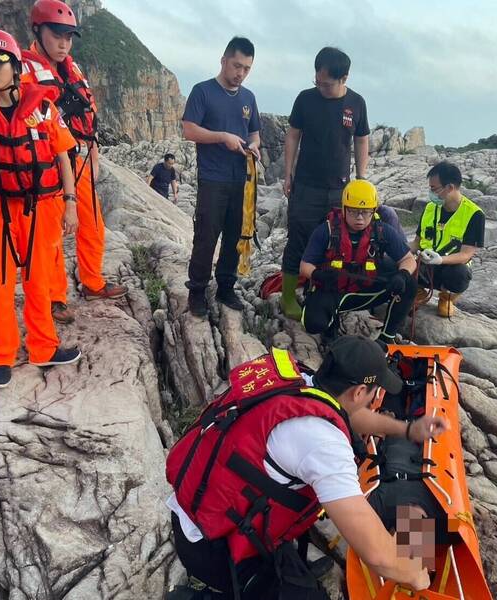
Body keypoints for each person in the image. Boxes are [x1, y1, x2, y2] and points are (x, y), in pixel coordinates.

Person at [166, 335, 446, 599]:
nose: (374, 400)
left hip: (199, 513)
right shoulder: (323, 444)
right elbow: (377, 553)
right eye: (375, 392)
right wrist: (415, 575)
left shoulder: (303, 381)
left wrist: (407, 430)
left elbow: (349, 415)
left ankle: (290, 572)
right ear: (360, 391)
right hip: (215, 550)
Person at [0, 28, 81, 388]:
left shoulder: (42, 107)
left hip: (40, 206)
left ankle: (43, 347)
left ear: (14, 66)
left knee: (40, 280)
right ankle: (1, 356)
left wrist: (70, 205)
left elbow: (62, 156)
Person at [22, 0, 128, 326]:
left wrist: (93, 156)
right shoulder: (25, 71)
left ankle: (92, 282)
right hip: (49, 164)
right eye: (57, 35)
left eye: (68, 36)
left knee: (92, 223)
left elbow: (89, 113)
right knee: (51, 235)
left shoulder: (72, 68)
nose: (64, 43)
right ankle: (54, 297)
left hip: (79, 158)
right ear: (39, 32)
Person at [280, 47, 370, 321]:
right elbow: (293, 135)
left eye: (327, 84)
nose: (321, 87)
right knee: (298, 239)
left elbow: (361, 139)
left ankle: (322, 292)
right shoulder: (306, 99)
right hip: (306, 185)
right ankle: (287, 297)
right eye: (317, 81)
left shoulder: (356, 103)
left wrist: (362, 178)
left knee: (334, 242)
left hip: (339, 190)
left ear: (344, 77)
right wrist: (288, 174)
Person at [182, 36, 261, 317]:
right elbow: (189, 130)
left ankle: (226, 287)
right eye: (237, 65)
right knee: (206, 236)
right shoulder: (202, 91)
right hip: (212, 179)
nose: (240, 73)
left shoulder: (248, 98)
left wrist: (254, 146)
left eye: (247, 68)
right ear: (224, 60)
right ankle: (197, 291)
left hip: (241, 179)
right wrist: (222, 138)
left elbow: (254, 132)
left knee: (235, 236)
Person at [299, 180, 417, 347]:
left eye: (366, 212)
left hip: (366, 291)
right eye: (354, 212)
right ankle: (330, 327)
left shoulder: (382, 231)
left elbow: (408, 260)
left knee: (409, 283)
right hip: (333, 292)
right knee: (313, 324)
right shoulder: (326, 230)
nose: (360, 218)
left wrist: (402, 275)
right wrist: (317, 274)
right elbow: (304, 266)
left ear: (374, 211)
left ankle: (386, 336)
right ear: (344, 209)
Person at [411, 162, 485, 318]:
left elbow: (466, 254)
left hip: (449, 268)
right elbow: (417, 242)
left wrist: (440, 260)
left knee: (460, 273)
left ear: (450, 188)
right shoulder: (430, 208)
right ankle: (418, 292)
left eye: (434, 189)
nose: (431, 193)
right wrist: (401, 253)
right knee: (396, 261)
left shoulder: (474, 215)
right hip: (423, 265)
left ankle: (447, 298)